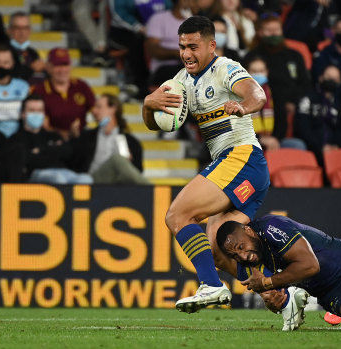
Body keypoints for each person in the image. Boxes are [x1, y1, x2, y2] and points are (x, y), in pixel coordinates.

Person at [141, 15, 308, 331]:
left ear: (211, 45)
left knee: (178, 215)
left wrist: (244, 106)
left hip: (242, 158)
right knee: (218, 250)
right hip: (241, 169)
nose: (186, 54)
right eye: (181, 47)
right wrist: (149, 104)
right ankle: (284, 297)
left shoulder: (225, 69)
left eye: (193, 46)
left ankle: (210, 286)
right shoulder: (182, 81)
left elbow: (257, 94)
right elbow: (157, 124)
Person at [244, 13, 311, 147]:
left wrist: (294, 101)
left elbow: (305, 83)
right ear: (260, 32)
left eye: (277, 30)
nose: (274, 34)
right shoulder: (252, 56)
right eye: (269, 30)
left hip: (288, 109)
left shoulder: (294, 55)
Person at [70, 93, 149, 184]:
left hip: (117, 183)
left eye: (99, 107)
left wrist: (130, 162)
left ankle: (153, 192)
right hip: (93, 181)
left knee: (119, 162)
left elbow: (138, 171)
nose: (94, 111)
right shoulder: (87, 136)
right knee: (117, 160)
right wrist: (75, 139)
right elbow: (74, 163)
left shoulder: (130, 141)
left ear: (112, 109)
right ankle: (154, 191)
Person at [19, 93, 92, 184]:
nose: (36, 114)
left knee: (85, 179)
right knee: (57, 178)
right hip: (37, 174)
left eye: (40, 110)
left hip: (64, 172)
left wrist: (40, 151)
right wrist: (54, 150)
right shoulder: (18, 139)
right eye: (32, 110)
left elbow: (68, 153)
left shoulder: (53, 135)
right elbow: (28, 161)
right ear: (23, 114)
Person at [31, 47, 95, 141]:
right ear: (48, 67)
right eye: (57, 65)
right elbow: (43, 125)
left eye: (65, 64)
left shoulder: (81, 86)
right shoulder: (40, 90)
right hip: (51, 141)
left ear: (71, 66)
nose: (62, 70)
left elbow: (97, 111)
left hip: (81, 139)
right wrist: (67, 134)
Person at [0, 43, 30, 182]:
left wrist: (17, 138)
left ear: (12, 64)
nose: (1, 66)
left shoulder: (23, 87)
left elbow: (28, 116)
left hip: (18, 141)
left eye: (5, 62)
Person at [295, 64, 341, 164]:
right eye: (328, 77)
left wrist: (337, 146)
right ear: (321, 77)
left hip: (335, 149)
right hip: (312, 148)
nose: (331, 81)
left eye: (335, 79)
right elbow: (302, 128)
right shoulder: (307, 98)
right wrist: (320, 146)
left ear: (339, 82)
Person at [145, 0, 192, 87]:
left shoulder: (199, 22)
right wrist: (178, 53)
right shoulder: (159, 18)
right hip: (166, 68)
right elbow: (152, 50)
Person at [6, 11, 45, 83]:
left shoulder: (32, 52)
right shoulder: (2, 51)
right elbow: (4, 76)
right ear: (9, 30)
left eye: (25, 28)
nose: (22, 32)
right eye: (17, 28)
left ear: (30, 30)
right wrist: (31, 68)